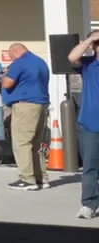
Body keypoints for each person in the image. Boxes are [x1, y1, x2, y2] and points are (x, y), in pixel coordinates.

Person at [1, 42, 50, 191]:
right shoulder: (40, 62)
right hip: (41, 105)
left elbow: (7, 84)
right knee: (36, 144)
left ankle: (27, 180)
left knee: (22, 143)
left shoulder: (20, 62)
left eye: (11, 56)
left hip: (25, 106)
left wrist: (4, 75)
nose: (11, 59)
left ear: (16, 52)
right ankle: (41, 178)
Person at [68, 30, 99, 218]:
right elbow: (72, 57)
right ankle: (89, 204)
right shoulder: (88, 65)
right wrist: (89, 39)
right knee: (89, 167)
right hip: (90, 125)